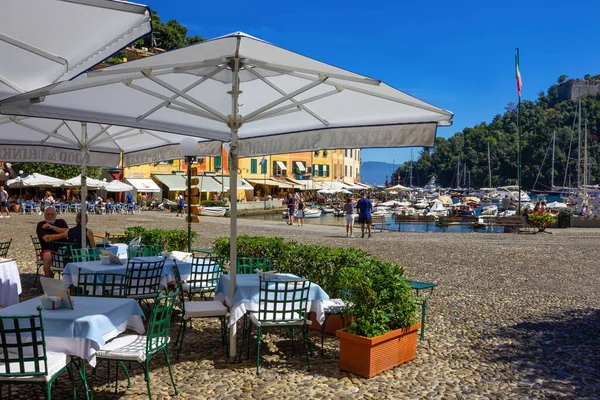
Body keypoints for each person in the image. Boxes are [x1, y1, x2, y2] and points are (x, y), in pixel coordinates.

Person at [36, 207, 69, 277]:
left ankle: (72, 282)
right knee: (47, 256)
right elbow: (47, 238)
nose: (50, 216)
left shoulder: (61, 222)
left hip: (64, 249)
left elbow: (68, 231)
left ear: (55, 215)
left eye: (52, 214)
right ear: (44, 215)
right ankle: (49, 280)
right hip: (48, 250)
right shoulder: (41, 225)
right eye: (48, 214)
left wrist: (52, 227)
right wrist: (63, 235)